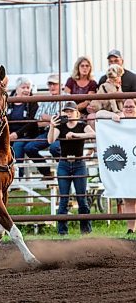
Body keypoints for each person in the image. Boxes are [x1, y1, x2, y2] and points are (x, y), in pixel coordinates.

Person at [48, 100, 96, 235]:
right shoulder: (61, 126)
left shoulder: (82, 126)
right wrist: (52, 126)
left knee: (82, 197)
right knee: (64, 198)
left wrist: (76, 135)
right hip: (64, 163)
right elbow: (50, 140)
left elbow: (94, 134)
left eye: (71, 111)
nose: (68, 114)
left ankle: (86, 231)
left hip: (79, 163)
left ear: (77, 113)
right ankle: (62, 232)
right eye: (66, 112)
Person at [96, 98, 136, 234]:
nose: (129, 108)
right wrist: (112, 115)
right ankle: (131, 230)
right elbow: (98, 114)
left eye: (131, 106)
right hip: (127, 166)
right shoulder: (120, 119)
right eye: (126, 106)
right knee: (129, 199)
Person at [23, 74, 62, 179]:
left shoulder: (67, 98)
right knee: (29, 148)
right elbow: (39, 122)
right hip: (48, 132)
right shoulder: (45, 100)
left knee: (55, 148)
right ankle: (47, 173)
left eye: (55, 84)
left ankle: (63, 171)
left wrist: (47, 118)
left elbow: (64, 120)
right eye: (50, 84)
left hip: (62, 132)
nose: (52, 86)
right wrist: (55, 119)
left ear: (60, 85)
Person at [7, 77, 39, 178]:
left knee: (18, 145)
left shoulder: (33, 102)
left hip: (26, 134)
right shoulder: (8, 100)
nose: (26, 90)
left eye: (28, 87)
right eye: (23, 87)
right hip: (8, 133)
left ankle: (17, 176)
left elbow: (32, 122)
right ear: (17, 89)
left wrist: (17, 134)